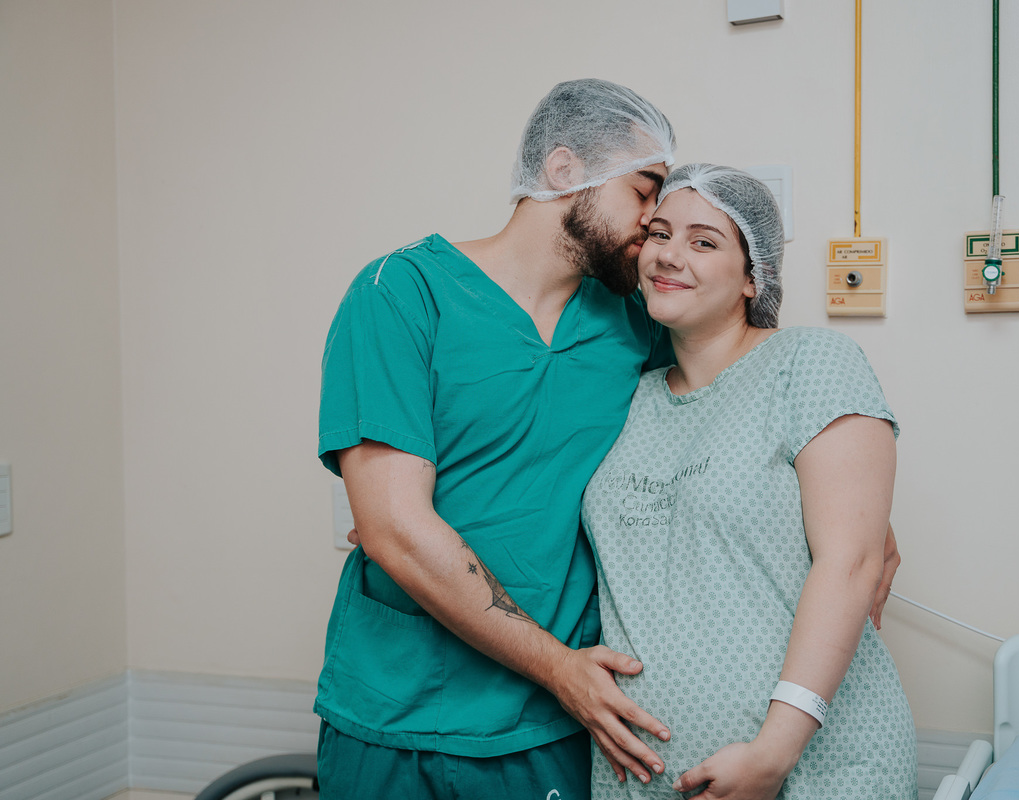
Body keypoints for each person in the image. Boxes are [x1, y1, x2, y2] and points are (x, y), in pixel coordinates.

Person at [317, 80, 901, 799]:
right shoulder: (399, 295)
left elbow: (739, 404)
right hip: (402, 712)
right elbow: (394, 527)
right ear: (565, 172)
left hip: (565, 727)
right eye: (646, 190)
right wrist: (558, 665)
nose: (656, 221)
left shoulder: (637, 322)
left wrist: (858, 510)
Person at [582, 164, 919, 799]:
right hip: (646, 775)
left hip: (814, 768)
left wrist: (773, 753)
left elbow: (850, 561)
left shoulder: (810, 364)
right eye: (659, 233)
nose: (670, 254)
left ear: (753, 276)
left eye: (704, 241)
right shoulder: (632, 398)